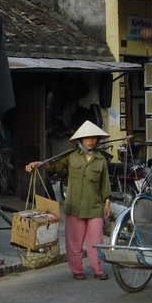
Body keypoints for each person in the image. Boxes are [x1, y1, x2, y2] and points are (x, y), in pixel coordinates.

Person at [26, 120, 112, 280]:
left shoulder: (101, 159)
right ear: (80, 139)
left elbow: (105, 184)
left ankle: (97, 270)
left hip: (95, 206)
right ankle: (77, 270)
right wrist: (38, 164)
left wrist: (107, 202)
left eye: (94, 138)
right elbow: (54, 165)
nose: (90, 141)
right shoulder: (71, 156)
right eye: (87, 138)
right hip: (74, 206)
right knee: (74, 242)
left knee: (96, 241)